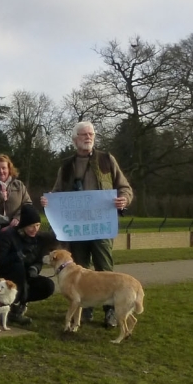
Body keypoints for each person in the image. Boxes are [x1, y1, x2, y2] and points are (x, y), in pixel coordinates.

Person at [41, 121, 133, 327]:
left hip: (101, 226)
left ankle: (111, 310)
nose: (88, 137)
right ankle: (84, 308)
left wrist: (124, 199)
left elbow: (124, 187)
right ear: (74, 139)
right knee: (80, 267)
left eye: (91, 134)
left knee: (105, 267)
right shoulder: (66, 166)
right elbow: (56, 192)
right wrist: (49, 201)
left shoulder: (107, 160)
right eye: (83, 134)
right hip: (77, 229)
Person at [0, 204, 56, 326]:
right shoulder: (8, 236)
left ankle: (20, 301)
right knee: (18, 267)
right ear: (23, 226)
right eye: (31, 226)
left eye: (38, 225)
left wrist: (35, 269)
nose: (35, 229)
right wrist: (17, 256)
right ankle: (15, 306)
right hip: (10, 276)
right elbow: (0, 260)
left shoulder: (39, 239)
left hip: (28, 275)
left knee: (48, 286)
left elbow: (39, 260)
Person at [0, 154, 32, 232]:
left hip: (16, 229)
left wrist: (18, 217)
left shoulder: (19, 185)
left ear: (9, 169)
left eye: (4, 168)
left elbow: (28, 204)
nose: (1, 171)